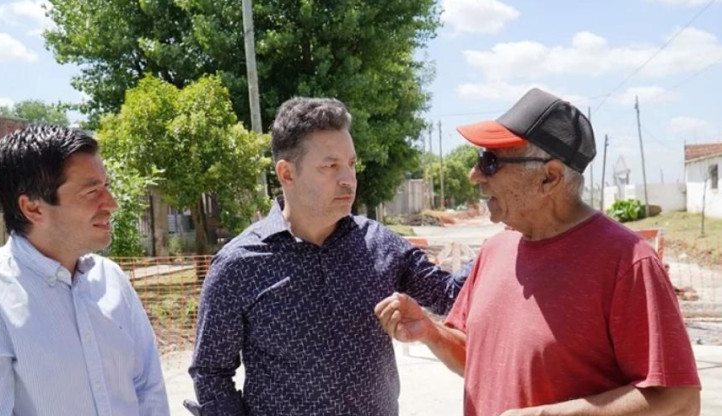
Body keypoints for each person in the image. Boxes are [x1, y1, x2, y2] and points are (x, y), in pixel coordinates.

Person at [375, 88, 701, 415]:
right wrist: (431, 333)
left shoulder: (628, 262)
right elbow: (482, 361)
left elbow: (679, 400)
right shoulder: (494, 251)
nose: (475, 175)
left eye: (490, 162)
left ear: (549, 177)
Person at [187, 97, 469, 415]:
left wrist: (518, 234)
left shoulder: (380, 245)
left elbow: (454, 296)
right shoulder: (238, 265)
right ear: (287, 174)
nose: (348, 179)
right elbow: (211, 373)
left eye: (351, 164)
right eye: (330, 166)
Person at [0, 125, 169, 416]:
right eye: (92, 191)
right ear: (33, 208)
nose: (112, 204)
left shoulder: (111, 279)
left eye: (107, 187)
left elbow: (147, 389)